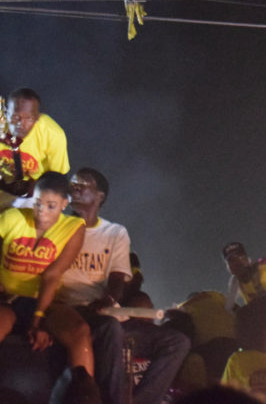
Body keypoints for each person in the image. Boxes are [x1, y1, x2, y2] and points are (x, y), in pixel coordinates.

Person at [58, 167, 190, 404]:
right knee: (111, 329)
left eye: (83, 183)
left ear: (100, 196)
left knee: (177, 342)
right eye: (73, 183)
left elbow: (118, 278)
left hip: (102, 312)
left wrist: (108, 301)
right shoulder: (58, 226)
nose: (75, 187)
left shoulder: (115, 232)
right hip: (69, 311)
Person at [0, 172, 97, 401]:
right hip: (9, 299)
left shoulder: (74, 227)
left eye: (51, 206)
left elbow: (52, 275)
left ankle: (83, 398)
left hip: (46, 301)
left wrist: (37, 320)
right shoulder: (12, 218)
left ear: (64, 204)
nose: (42, 212)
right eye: (37, 204)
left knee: (80, 332)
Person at [0, 88, 70, 214]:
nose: (21, 124)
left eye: (29, 119)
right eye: (15, 117)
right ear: (5, 113)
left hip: (33, 190)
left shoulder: (53, 133)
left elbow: (57, 180)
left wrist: (33, 187)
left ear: (38, 118)